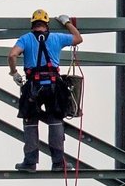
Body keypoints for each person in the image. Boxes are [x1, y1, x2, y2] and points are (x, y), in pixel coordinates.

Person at [7, 9, 82, 171]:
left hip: (33, 87)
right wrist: (66, 22)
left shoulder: (25, 39)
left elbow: (12, 55)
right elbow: (78, 39)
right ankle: (58, 163)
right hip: (54, 86)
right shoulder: (56, 38)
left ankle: (30, 162)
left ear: (32, 24)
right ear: (47, 24)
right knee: (55, 120)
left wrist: (14, 73)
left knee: (30, 121)